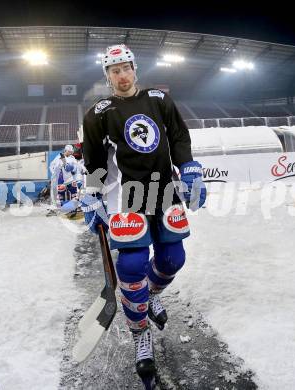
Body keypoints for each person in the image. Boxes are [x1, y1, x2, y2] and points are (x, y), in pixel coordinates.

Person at [81, 44, 206, 380]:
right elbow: (93, 162)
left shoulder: (159, 99)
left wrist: (189, 166)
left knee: (172, 261)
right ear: (107, 76)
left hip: (164, 191)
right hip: (127, 197)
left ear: (135, 68)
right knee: (133, 264)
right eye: (114, 70)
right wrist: (93, 194)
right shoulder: (98, 113)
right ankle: (141, 336)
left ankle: (147, 296)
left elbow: (178, 135)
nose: (121, 75)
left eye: (126, 68)